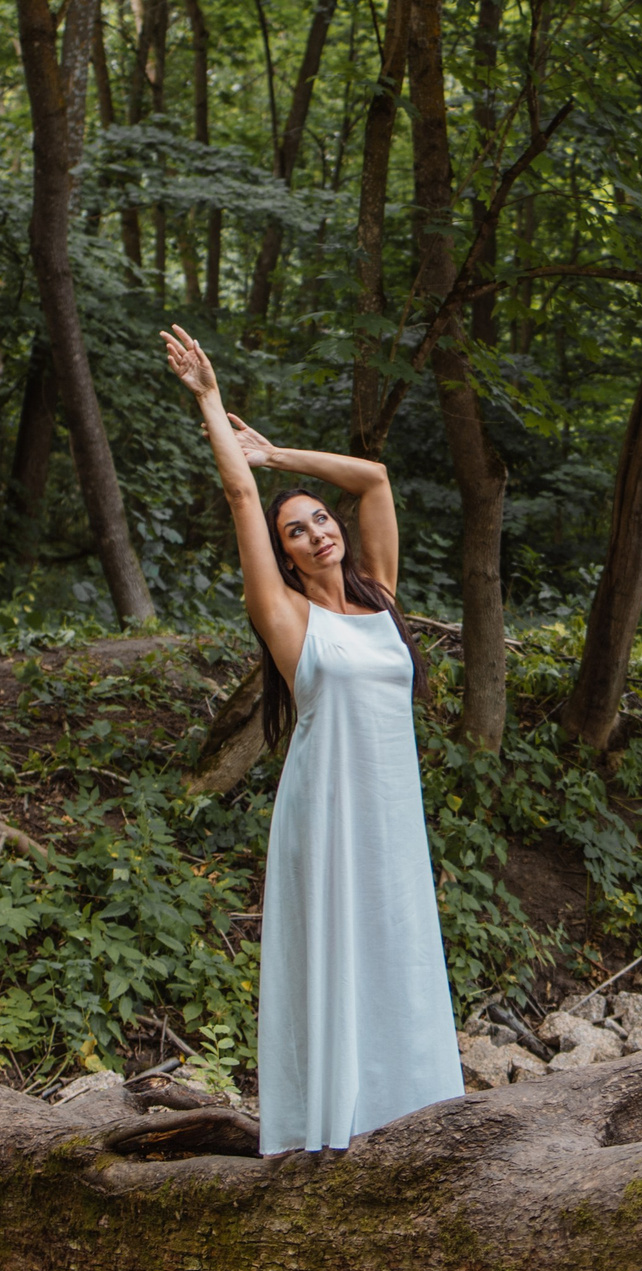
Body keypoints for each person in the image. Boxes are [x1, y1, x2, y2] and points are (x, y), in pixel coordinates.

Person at [163, 325, 464, 1156]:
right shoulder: (289, 619)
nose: (317, 531)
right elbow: (238, 499)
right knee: (334, 958)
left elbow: (373, 479)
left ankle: (413, 1124)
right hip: (326, 812)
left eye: (319, 520)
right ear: (287, 559)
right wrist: (213, 404)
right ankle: (330, 1138)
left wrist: (280, 456)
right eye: (297, 530)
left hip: (391, 816)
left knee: (398, 949)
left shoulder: (383, 598)